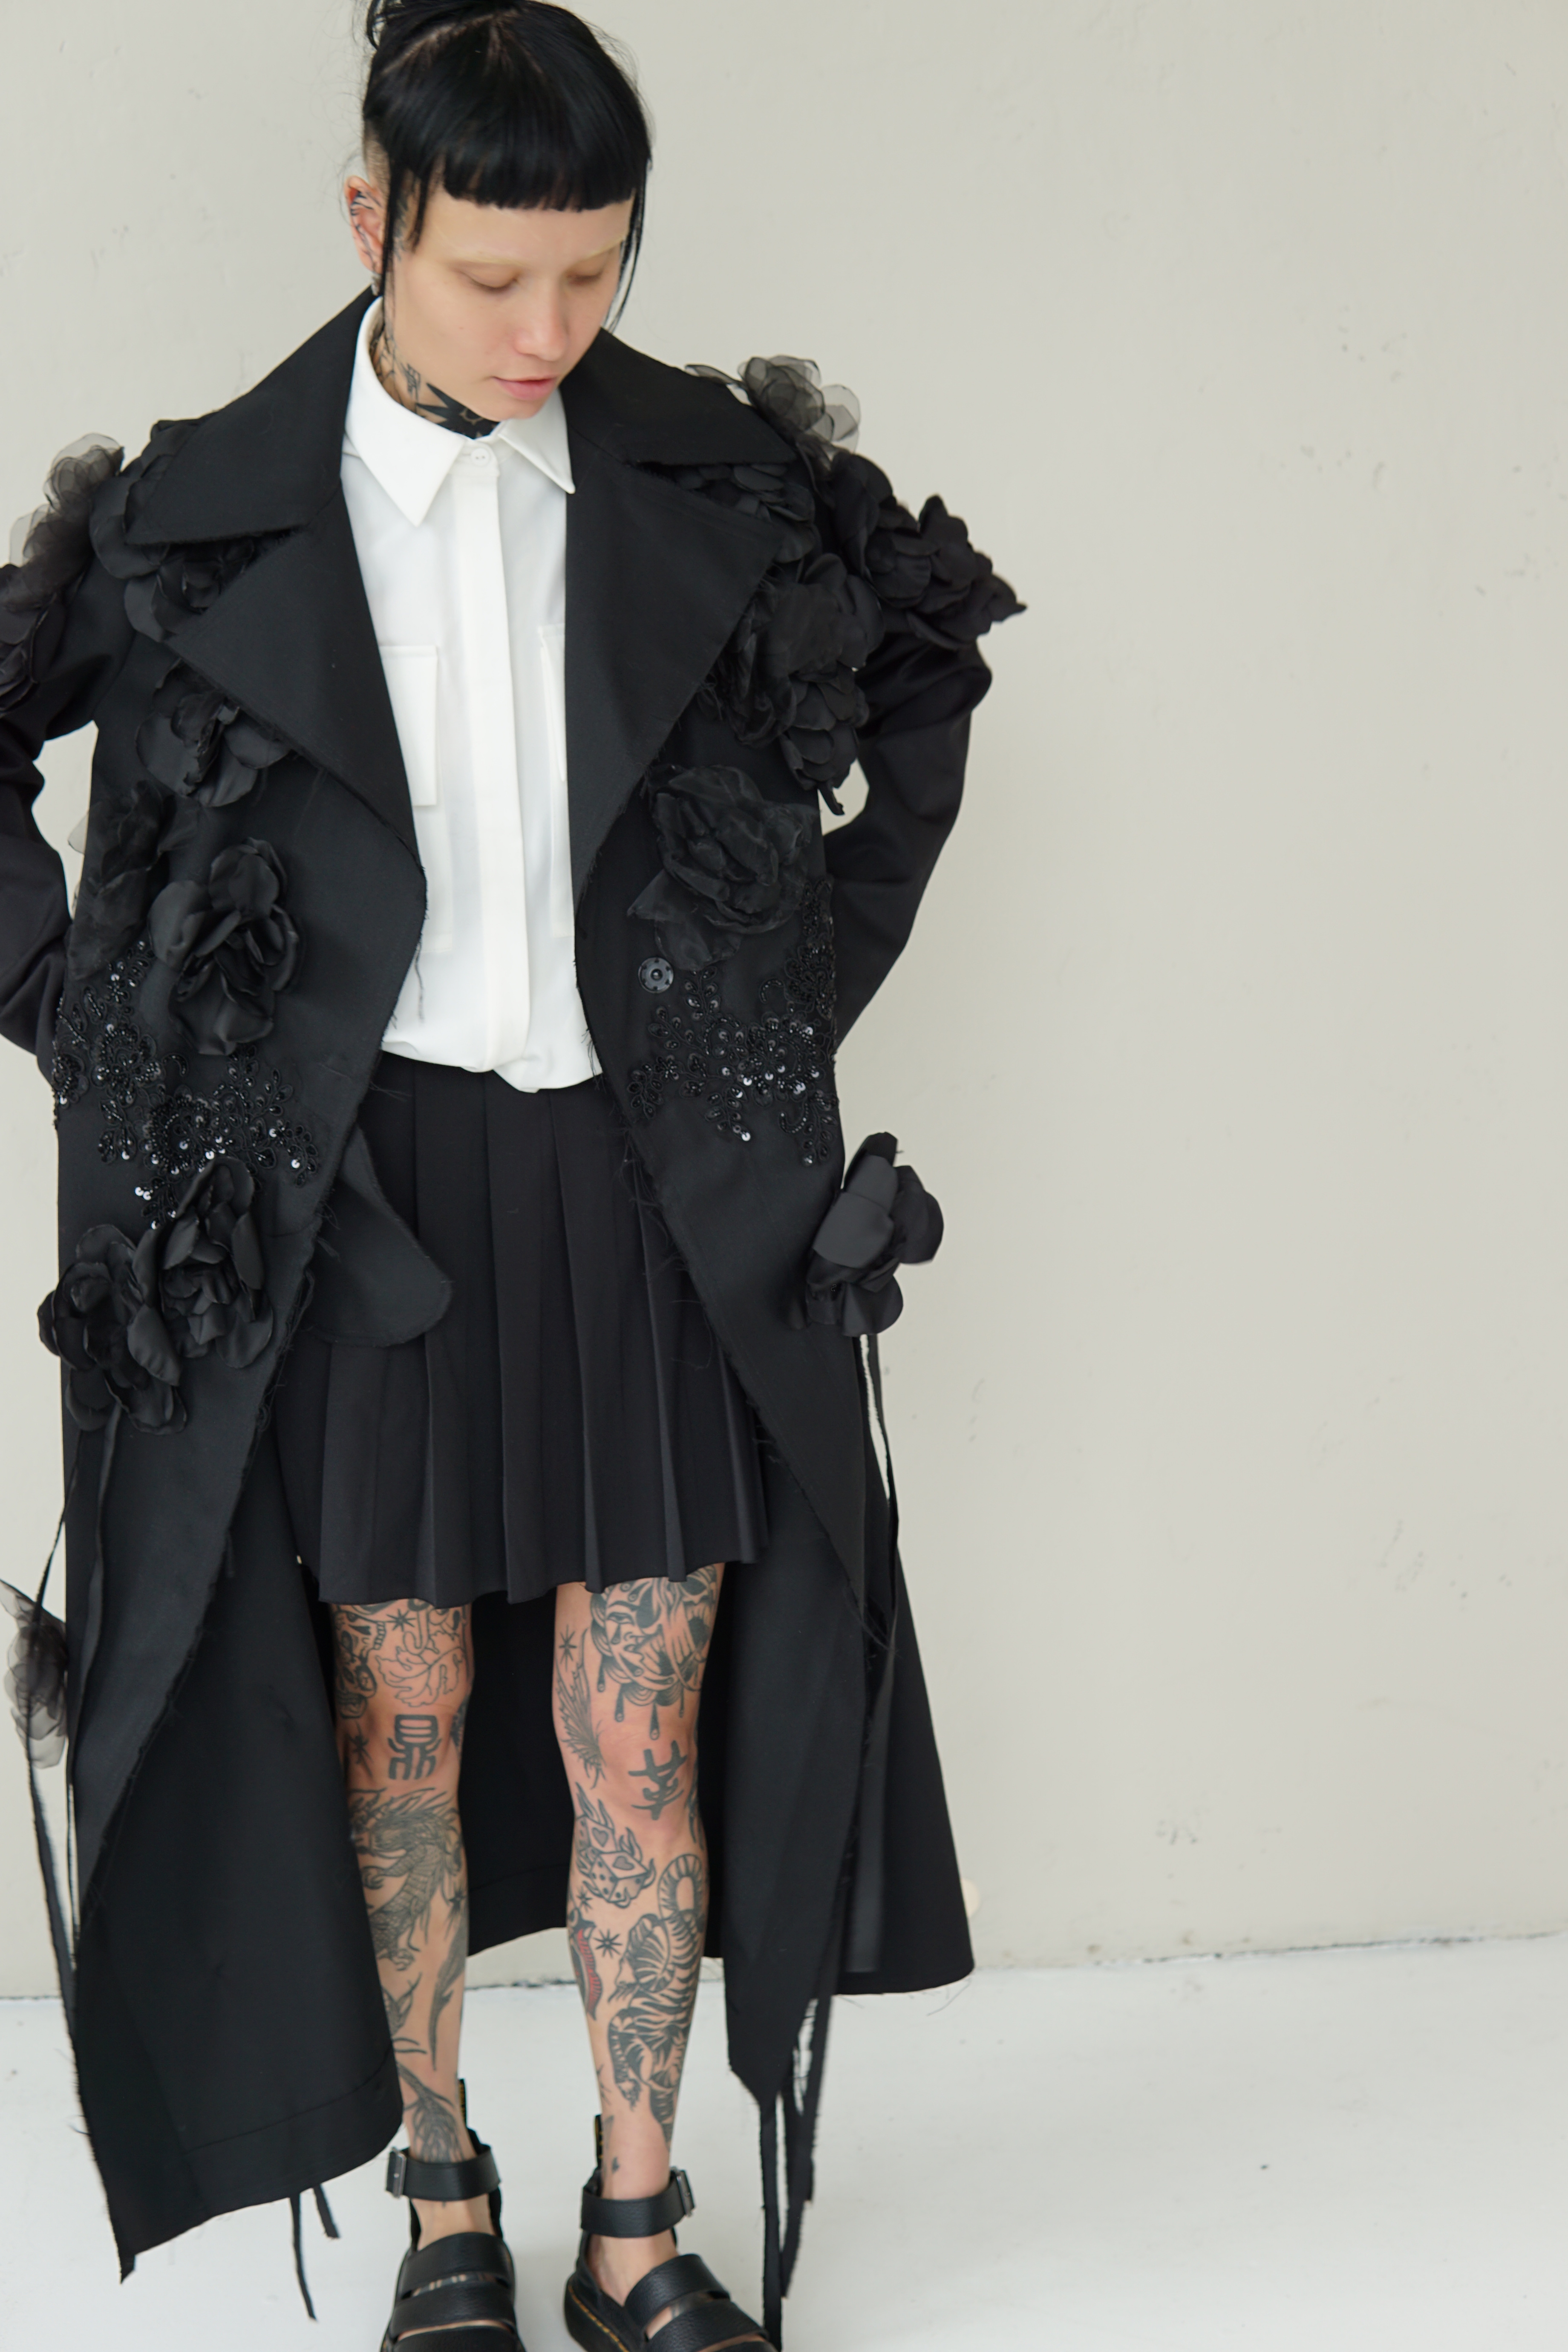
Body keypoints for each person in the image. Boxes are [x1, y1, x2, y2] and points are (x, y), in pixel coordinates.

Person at [0, 3, 1020, 2344]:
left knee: (640, 1729)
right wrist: (97, 1027)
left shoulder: (720, 481)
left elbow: (928, 682)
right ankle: (441, 2196)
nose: (548, 328)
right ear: (372, 217)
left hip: (655, 1195)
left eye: (595, 269)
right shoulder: (201, 513)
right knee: (403, 1726)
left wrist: (781, 995)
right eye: (492, 277)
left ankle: (638, 2225)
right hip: (367, 1216)